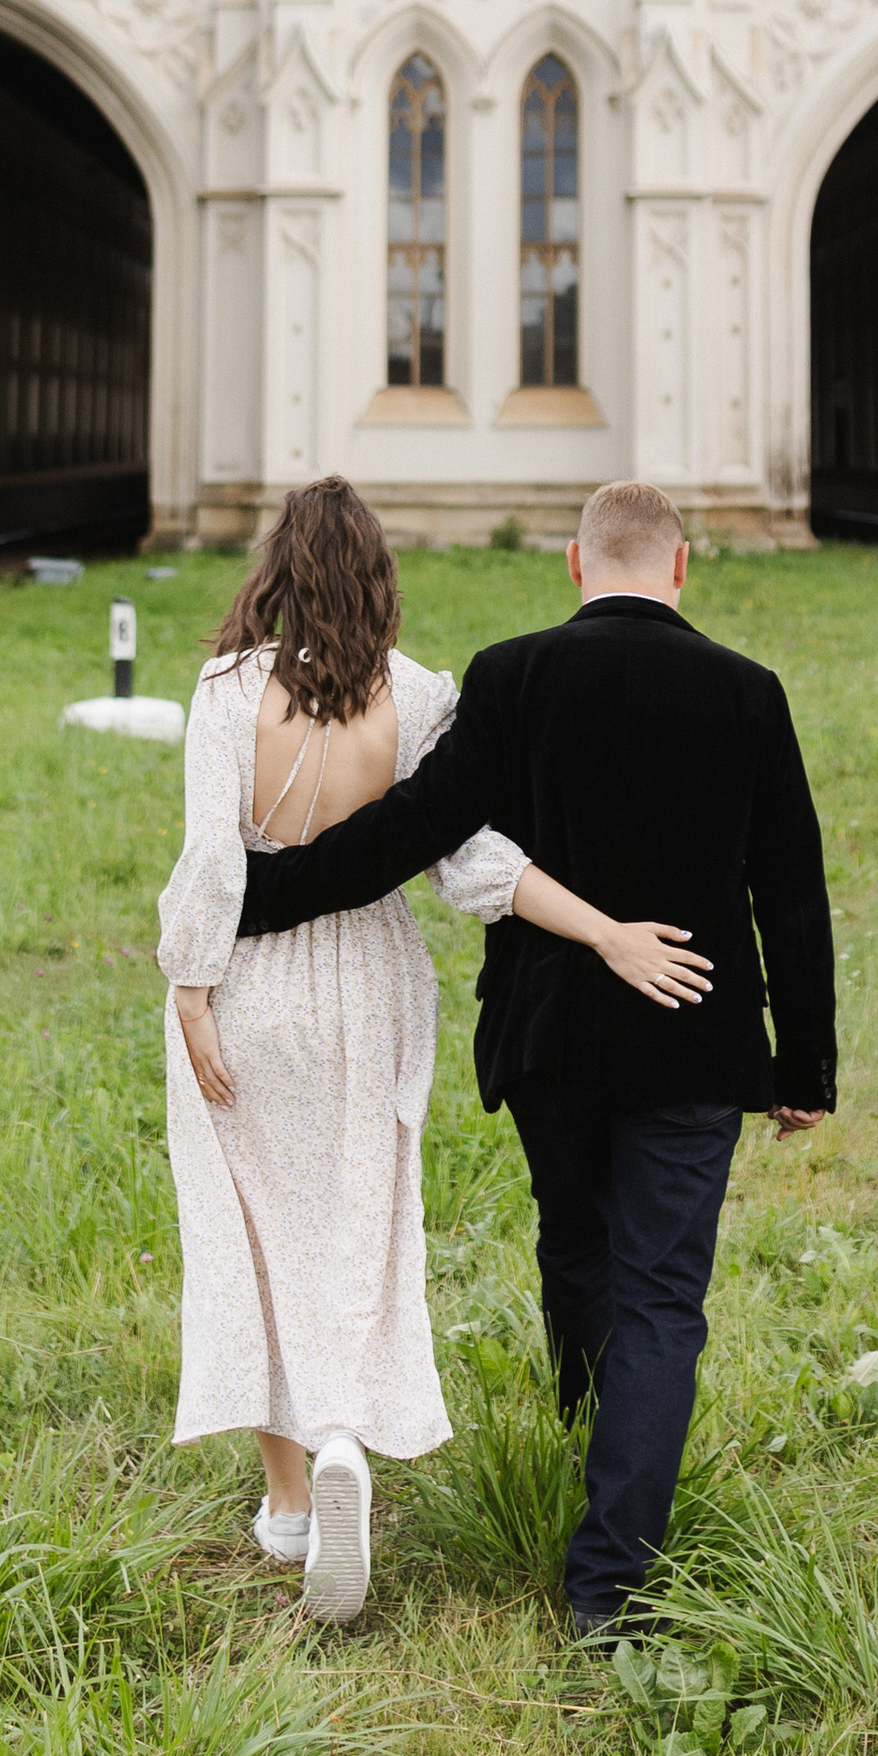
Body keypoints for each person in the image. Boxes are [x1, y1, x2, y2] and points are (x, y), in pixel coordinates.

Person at [230, 477, 836, 1638]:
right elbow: (790, 891)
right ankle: (608, 1580)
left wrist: (260, 896)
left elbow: (415, 830)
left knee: (576, 1247)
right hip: (695, 1036)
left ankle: (588, 1441)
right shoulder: (747, 694)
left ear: (571, 563)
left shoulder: (511, 676)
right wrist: (799, 1066)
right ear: (682, 566)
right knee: (662, 1298)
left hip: (550, 1037)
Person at [155, 474, 711, 1627]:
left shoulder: (227, 690)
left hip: (250, 978)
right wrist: (605, 931)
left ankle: (291, 1501)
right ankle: (349, 1428)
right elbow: (474, 868)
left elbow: (215, 855)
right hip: (373, 984)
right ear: (380, 577)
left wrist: (192, 989)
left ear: (272, 568)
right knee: (361, 1218)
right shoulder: (418, 699)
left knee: (254, 1225)